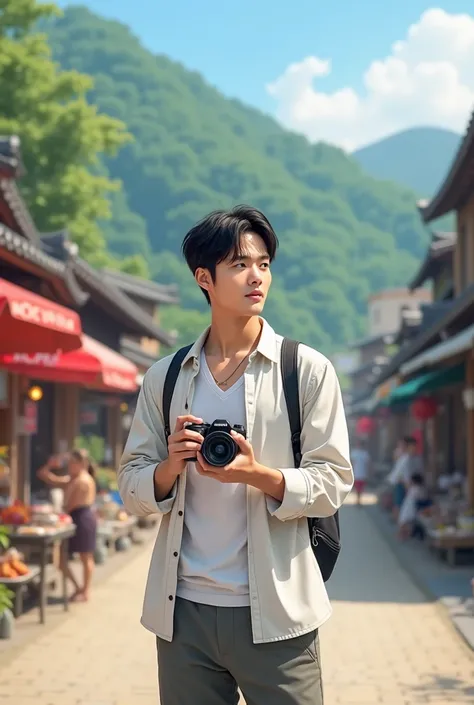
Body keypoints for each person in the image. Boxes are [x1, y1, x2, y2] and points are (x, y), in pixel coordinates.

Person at [118, 205, 353, 705]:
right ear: (205, 278)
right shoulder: (166, 377)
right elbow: (131, 484)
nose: (257, 277)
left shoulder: (305, 369)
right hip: (182, 615)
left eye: (264, 264)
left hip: (279, 614)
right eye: (240, 264)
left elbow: (334, 480)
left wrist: (259, 475)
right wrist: (168, 467)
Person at [37, 449, 97, 602]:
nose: (69, 466)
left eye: (71, 463)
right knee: (61, 559)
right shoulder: (72, 478)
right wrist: (51, 464)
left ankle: (85, 591)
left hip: (82, 518)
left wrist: (54, 516)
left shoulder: (82, 480)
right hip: (72, 517)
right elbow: (44, 475)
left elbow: (69, 505)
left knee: (85, 556)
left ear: (80, 464)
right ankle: (78, 588)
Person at [387, 436, 422, 520]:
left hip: (404, 483)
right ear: (408, 447)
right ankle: (398, 522)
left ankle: (399, 521)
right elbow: (405, 475)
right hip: (400, 483)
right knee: (399, 504)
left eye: (415, 446)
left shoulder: (410, 457)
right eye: (412, 447)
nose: (414, 449)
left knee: (401, 504)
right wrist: (408, 488)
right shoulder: (405, 458)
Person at [350, 437, 371, 505]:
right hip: (356, 473)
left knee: (361, 488)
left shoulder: (365, 453)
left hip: (362, 473)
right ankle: (358, 500)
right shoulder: (354, 453)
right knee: (357, 488)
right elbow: (352, 463)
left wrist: (368, 472)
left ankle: (359, 499)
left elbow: (368, 464)